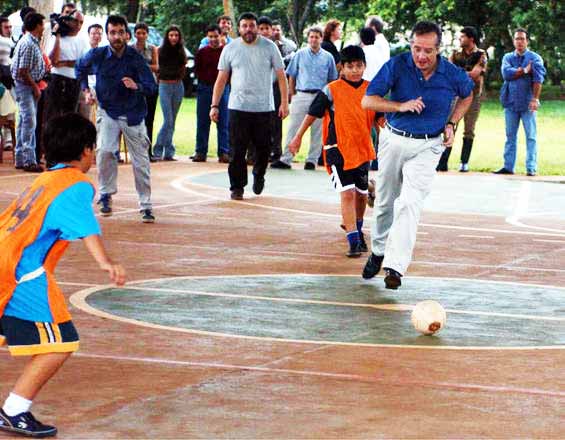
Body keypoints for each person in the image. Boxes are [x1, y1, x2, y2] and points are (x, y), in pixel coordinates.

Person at [0, 113, 126, 439]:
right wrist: (106, 262)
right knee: (60, 342)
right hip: (20, 272)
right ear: (86, 151)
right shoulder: (74, 184)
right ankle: (14, 410)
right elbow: (86, 226)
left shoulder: (44, 179)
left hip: (4, 259)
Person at [361, 21, 474, 289]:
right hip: (393, 139)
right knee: (385, 201)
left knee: (410, 202)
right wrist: (400, 106)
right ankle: (378, 251)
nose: (421, 56)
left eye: (428, 51)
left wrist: (452, 123)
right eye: (416, 49)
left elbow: (467, 95)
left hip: (428, 146)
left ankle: (395, 267)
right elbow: (368, 100)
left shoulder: (451, 73)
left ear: (438, 49)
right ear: (411, 45)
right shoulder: (397, 65)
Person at [288, 45, 376, 257]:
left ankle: (357, 228)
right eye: (350, 66)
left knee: (361, 195)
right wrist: (298, 137)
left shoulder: (371, 90)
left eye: (359, 66)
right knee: (348, 193)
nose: (355, 70)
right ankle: (353, 241)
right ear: (341, 68)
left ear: (364, 66)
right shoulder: (331, 90)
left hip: (362, 150)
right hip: (337, 149)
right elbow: (312, 114)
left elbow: (381, 119)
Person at [76, 15, 157, 222]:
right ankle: (105, 194)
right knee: (104, 151)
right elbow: (80, 68)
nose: (117, 36)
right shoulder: (98, 54)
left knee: (140, 161)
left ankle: (146, 204)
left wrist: (137, 86)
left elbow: (151, 86)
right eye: (113, 32)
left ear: (126, 34)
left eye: (121, 32)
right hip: (108, 111)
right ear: (107, 34)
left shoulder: (135, 57)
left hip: (133, 114)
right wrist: (86, 90)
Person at [210, 12, 289, 200]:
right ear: (239, 28)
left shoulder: (269, 47)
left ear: (257, 28)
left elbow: (281, 76)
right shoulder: (230, 48)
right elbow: (221, 79)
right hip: (238, 107)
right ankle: (237, 187)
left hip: (264, 108)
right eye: (244, 26)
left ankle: (259, 174)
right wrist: (214, 105)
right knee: (237, 150)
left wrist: (284, 103)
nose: (248, 30)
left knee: (263, 149)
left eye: (252, 26)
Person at [271, 26, 338, 170]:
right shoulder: (300, 54)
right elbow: (292, 75)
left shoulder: (328, 57)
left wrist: (329, 99)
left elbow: (332, 79)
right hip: (301, 94)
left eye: (317, 37)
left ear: (321, 39)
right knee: (293, 127)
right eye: (311, 37)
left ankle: (311, 160)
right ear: (308, 38)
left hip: (320, 96)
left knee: (317, 130)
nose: (314, 40)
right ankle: (286, 159)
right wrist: (292, 93)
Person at [494, 28, 546, 177]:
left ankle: (531, 168)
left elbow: (538, 79)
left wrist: (535, 99)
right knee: (510, 136)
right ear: (513, 41)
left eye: (522, 39)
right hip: (510, 102)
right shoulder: (507, 57)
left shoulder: (535, 58)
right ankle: (508, 166)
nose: (520, 42)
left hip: (528, 103)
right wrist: (524, 71)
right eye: (517, 39)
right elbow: (506, 74)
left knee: (531, 136)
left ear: (527, 41)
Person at [438, 26, 487, 172]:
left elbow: (475, 74)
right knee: (450, 125)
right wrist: (463, 73)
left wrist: (458, 73)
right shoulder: (455, 54)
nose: (460, 39)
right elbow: (448, 72)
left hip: (474, 95)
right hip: (456, 95)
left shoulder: (481, 55)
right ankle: (443, 161)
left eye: (463, 36)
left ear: (471, 39)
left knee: (469, 129)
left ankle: (464, 162)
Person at [10, 12, 46, 172]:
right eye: (42, 24)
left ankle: (20, 158)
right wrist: (35, 87)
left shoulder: (31, 41)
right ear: (37, 25)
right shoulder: (29, 43)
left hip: (26, 84)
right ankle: (28, 160)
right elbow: (23, 71)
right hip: (25, 85)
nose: (44, 27)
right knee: (30, 121)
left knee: (24, 121)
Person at [43, 11, 86, 132]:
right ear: (67, 21)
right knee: (52, 115)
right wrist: (57, 36)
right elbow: (53, 60)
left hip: (73, 82)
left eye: (81, 22)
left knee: (70, 117)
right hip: (56, 79)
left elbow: (83, 63)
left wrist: (64, 63)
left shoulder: (82, 40)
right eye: (75, 21)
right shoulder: (56, 38)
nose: (78, 25)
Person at [193, 24, 230, 163]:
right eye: (210, 37)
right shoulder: (201, 52)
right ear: (207, 37)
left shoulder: (226, 51)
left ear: (221, 36)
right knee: (202, 120)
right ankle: (200, 151)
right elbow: (197, 70)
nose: (213, 39)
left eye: (216, 36)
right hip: (205, 88)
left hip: (223, 88)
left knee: (224, 120)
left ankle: (224, 151)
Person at [152, 25, 186, 161]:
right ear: (167, 36)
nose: (174, 38)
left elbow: (183, 68)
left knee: (172, 120)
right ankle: (158, 149)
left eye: (176, 35)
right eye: (171, 35)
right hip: (164, 86)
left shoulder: (181, 51)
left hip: (178, 86)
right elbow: (158, 70)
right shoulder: (159, 51)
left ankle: (168, 153)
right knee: (168, 120)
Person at [131, 23, 159, 154]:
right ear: (135, 34)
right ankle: (136, 150)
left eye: (143, 33)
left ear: (147, 35)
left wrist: (141, 66)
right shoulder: (130, 48)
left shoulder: (152, 49)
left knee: (149, 118)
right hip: (135, 87)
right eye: (138, 33)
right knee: (135, 118)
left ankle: (148, 150)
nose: (141, 36)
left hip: (150, 87)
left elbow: (156, 67)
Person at [78, 23, 103, 121]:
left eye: (99, 34)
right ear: (89, 34)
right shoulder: (83, 50)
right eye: (94, 33)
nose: (96, 36)